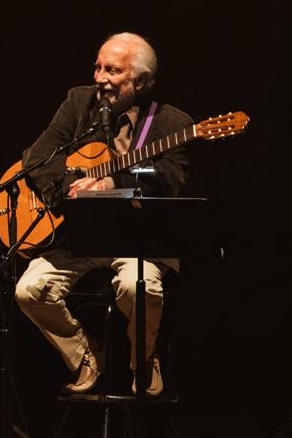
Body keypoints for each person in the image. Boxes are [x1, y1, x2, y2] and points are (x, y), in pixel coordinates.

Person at [15, 32, 190, 398]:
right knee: (29, 290)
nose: (100, 78)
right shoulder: (79, 103)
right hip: (77, 236)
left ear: (140, 81)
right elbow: (37, 156)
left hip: (136, 239)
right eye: (97, 67)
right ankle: (85, 354)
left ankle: (142, 359)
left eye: (112, 70)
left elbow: (171, 179)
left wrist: (114, 181)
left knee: (137, 288)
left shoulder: (172, 123)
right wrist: (68, 188)